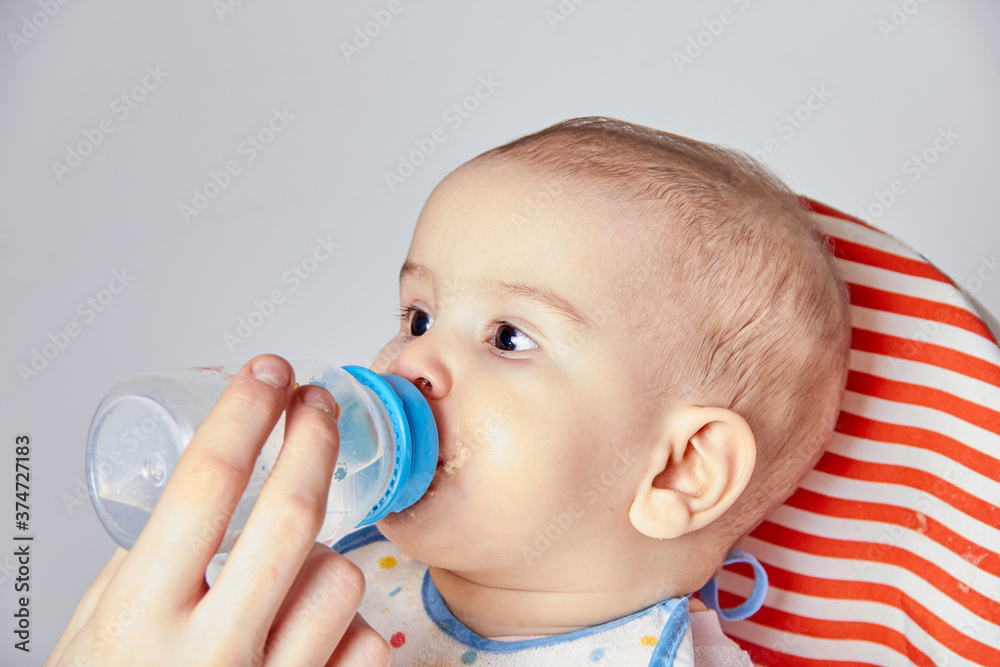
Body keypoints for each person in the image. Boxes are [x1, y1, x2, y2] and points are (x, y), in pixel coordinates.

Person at [51, 117, 851, 666]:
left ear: (680, 469)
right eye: (419, 314)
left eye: (509, 336)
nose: (411, 360)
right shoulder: (345, 562)